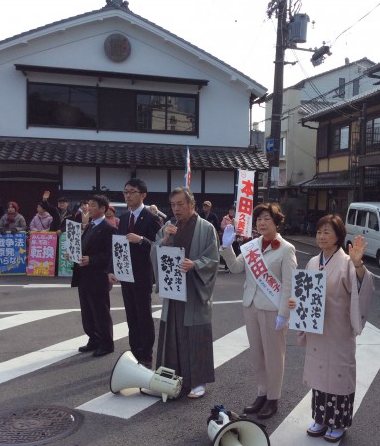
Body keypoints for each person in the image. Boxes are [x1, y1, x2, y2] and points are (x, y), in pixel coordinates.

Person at [288, 215, 374, 442]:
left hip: (338, 330)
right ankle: (320, 417)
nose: (321, 236)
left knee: (337, 374)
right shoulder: (313, 262)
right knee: (319, 374)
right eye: (319, 232)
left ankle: (338, 422)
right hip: (318, 330)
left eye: (327, 232)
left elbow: (363, 287)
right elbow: (305, 295)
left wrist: (358, 265)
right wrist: (297, 304)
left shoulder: (347, 262)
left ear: (338, 236)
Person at [220, 203, 297, 419]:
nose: (262, 223)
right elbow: (236, 267)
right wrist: (226, 247)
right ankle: (262, 393)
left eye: (267, 219)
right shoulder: (251, 246)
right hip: (251, 307)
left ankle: (273, 398)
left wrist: (284, 313)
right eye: (259, 219)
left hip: (273, 310)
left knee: (274, 356)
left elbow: (289, 285)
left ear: (276, 222)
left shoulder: (286, 249)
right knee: (257, 354)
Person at [154, 187, 219, 399]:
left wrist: (196, 264)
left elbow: (213, 259)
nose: (176, 209)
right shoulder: (168, 227)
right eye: (173, 205)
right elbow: (155, 252)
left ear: (192, 205)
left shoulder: (206, 228)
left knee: (195, 335)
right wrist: (164, 241)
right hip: (174, 292)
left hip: (193, 290)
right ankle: (174, 377)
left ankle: (198, 381)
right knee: (173, 334)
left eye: (180, 204)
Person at [108, 178, 160, 368]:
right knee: (131, 315)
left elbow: (159, 247)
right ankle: (134, 350)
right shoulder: (123, 218)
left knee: (144, 316)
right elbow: (118, 247)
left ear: (143, 195)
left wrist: (141, 240)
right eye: (126, 192)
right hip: (125, 275)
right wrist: (112, 269)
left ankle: (146, 355)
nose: (128, 195)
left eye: (132, 192)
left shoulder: (152, 219)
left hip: (143, 275)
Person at [72, 195, 118, 357]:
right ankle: (94, 339)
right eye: (88, 205)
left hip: (99, 276)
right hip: (84, 275)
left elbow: (111, 254)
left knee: (100, 311)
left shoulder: (109, 228)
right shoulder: (90, 226)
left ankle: (106, 343)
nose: (89, 208)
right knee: (87, 311)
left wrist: (92, 259)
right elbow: (84, 248)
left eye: (92, 206)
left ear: (103, 209)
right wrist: (73, 254)